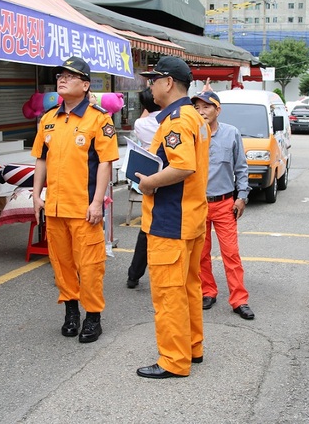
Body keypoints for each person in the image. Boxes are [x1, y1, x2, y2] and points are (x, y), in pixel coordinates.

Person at [31, 56, 119, 343]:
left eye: (70, 76)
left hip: (84, 208)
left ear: (85, 85)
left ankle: (93, 316)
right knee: (62, 264)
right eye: (60, 75)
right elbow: (41, 160)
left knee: (90, 266)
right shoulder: (48, 119)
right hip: (55, 207)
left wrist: (97, 203)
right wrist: (36, 194)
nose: (62, 79)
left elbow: (105, 164)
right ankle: (71, 312)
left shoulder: (99, 120)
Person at [135, 56, 210, 379]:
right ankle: (192, 347)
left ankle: (173, 360)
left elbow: (183, 166)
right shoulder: (194, 116)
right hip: (191, 216)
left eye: (153, 80)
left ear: (168, 82)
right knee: (189, 287)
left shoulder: (177, 120)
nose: (149, 85)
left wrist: (149, 182)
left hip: (171, 219)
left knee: (168, 293)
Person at [191, 90, 254, 320]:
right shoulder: (192, 134)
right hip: (198, 204)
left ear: (218, 109)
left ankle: (239, 300)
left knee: (231, 253)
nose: (201, 111)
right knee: (201, 253)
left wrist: (242, 196)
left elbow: (241, 167)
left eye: (206, 106)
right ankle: (207, 291)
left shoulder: (231, 133)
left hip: (225, 203)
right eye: (197, 107)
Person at [126, 87, 161, 289]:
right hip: (167, 176)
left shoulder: (141, 124)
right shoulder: (169, 121)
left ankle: (134, 275)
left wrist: (147, 104)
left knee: (146, 229)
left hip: (146, 177)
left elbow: (144, 116)